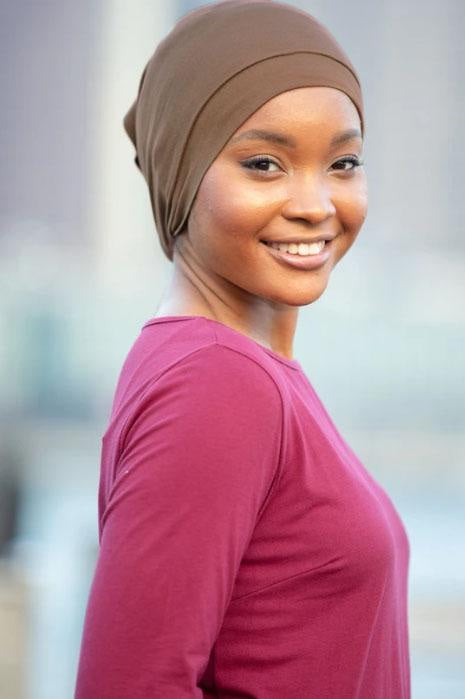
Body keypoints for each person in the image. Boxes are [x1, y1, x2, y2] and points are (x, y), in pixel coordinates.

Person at [74, 1, 411, 697]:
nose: (315, 202)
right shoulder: (217, 382)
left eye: (342, 162)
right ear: (182, 173)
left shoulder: (235, 369)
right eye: (264, 163)